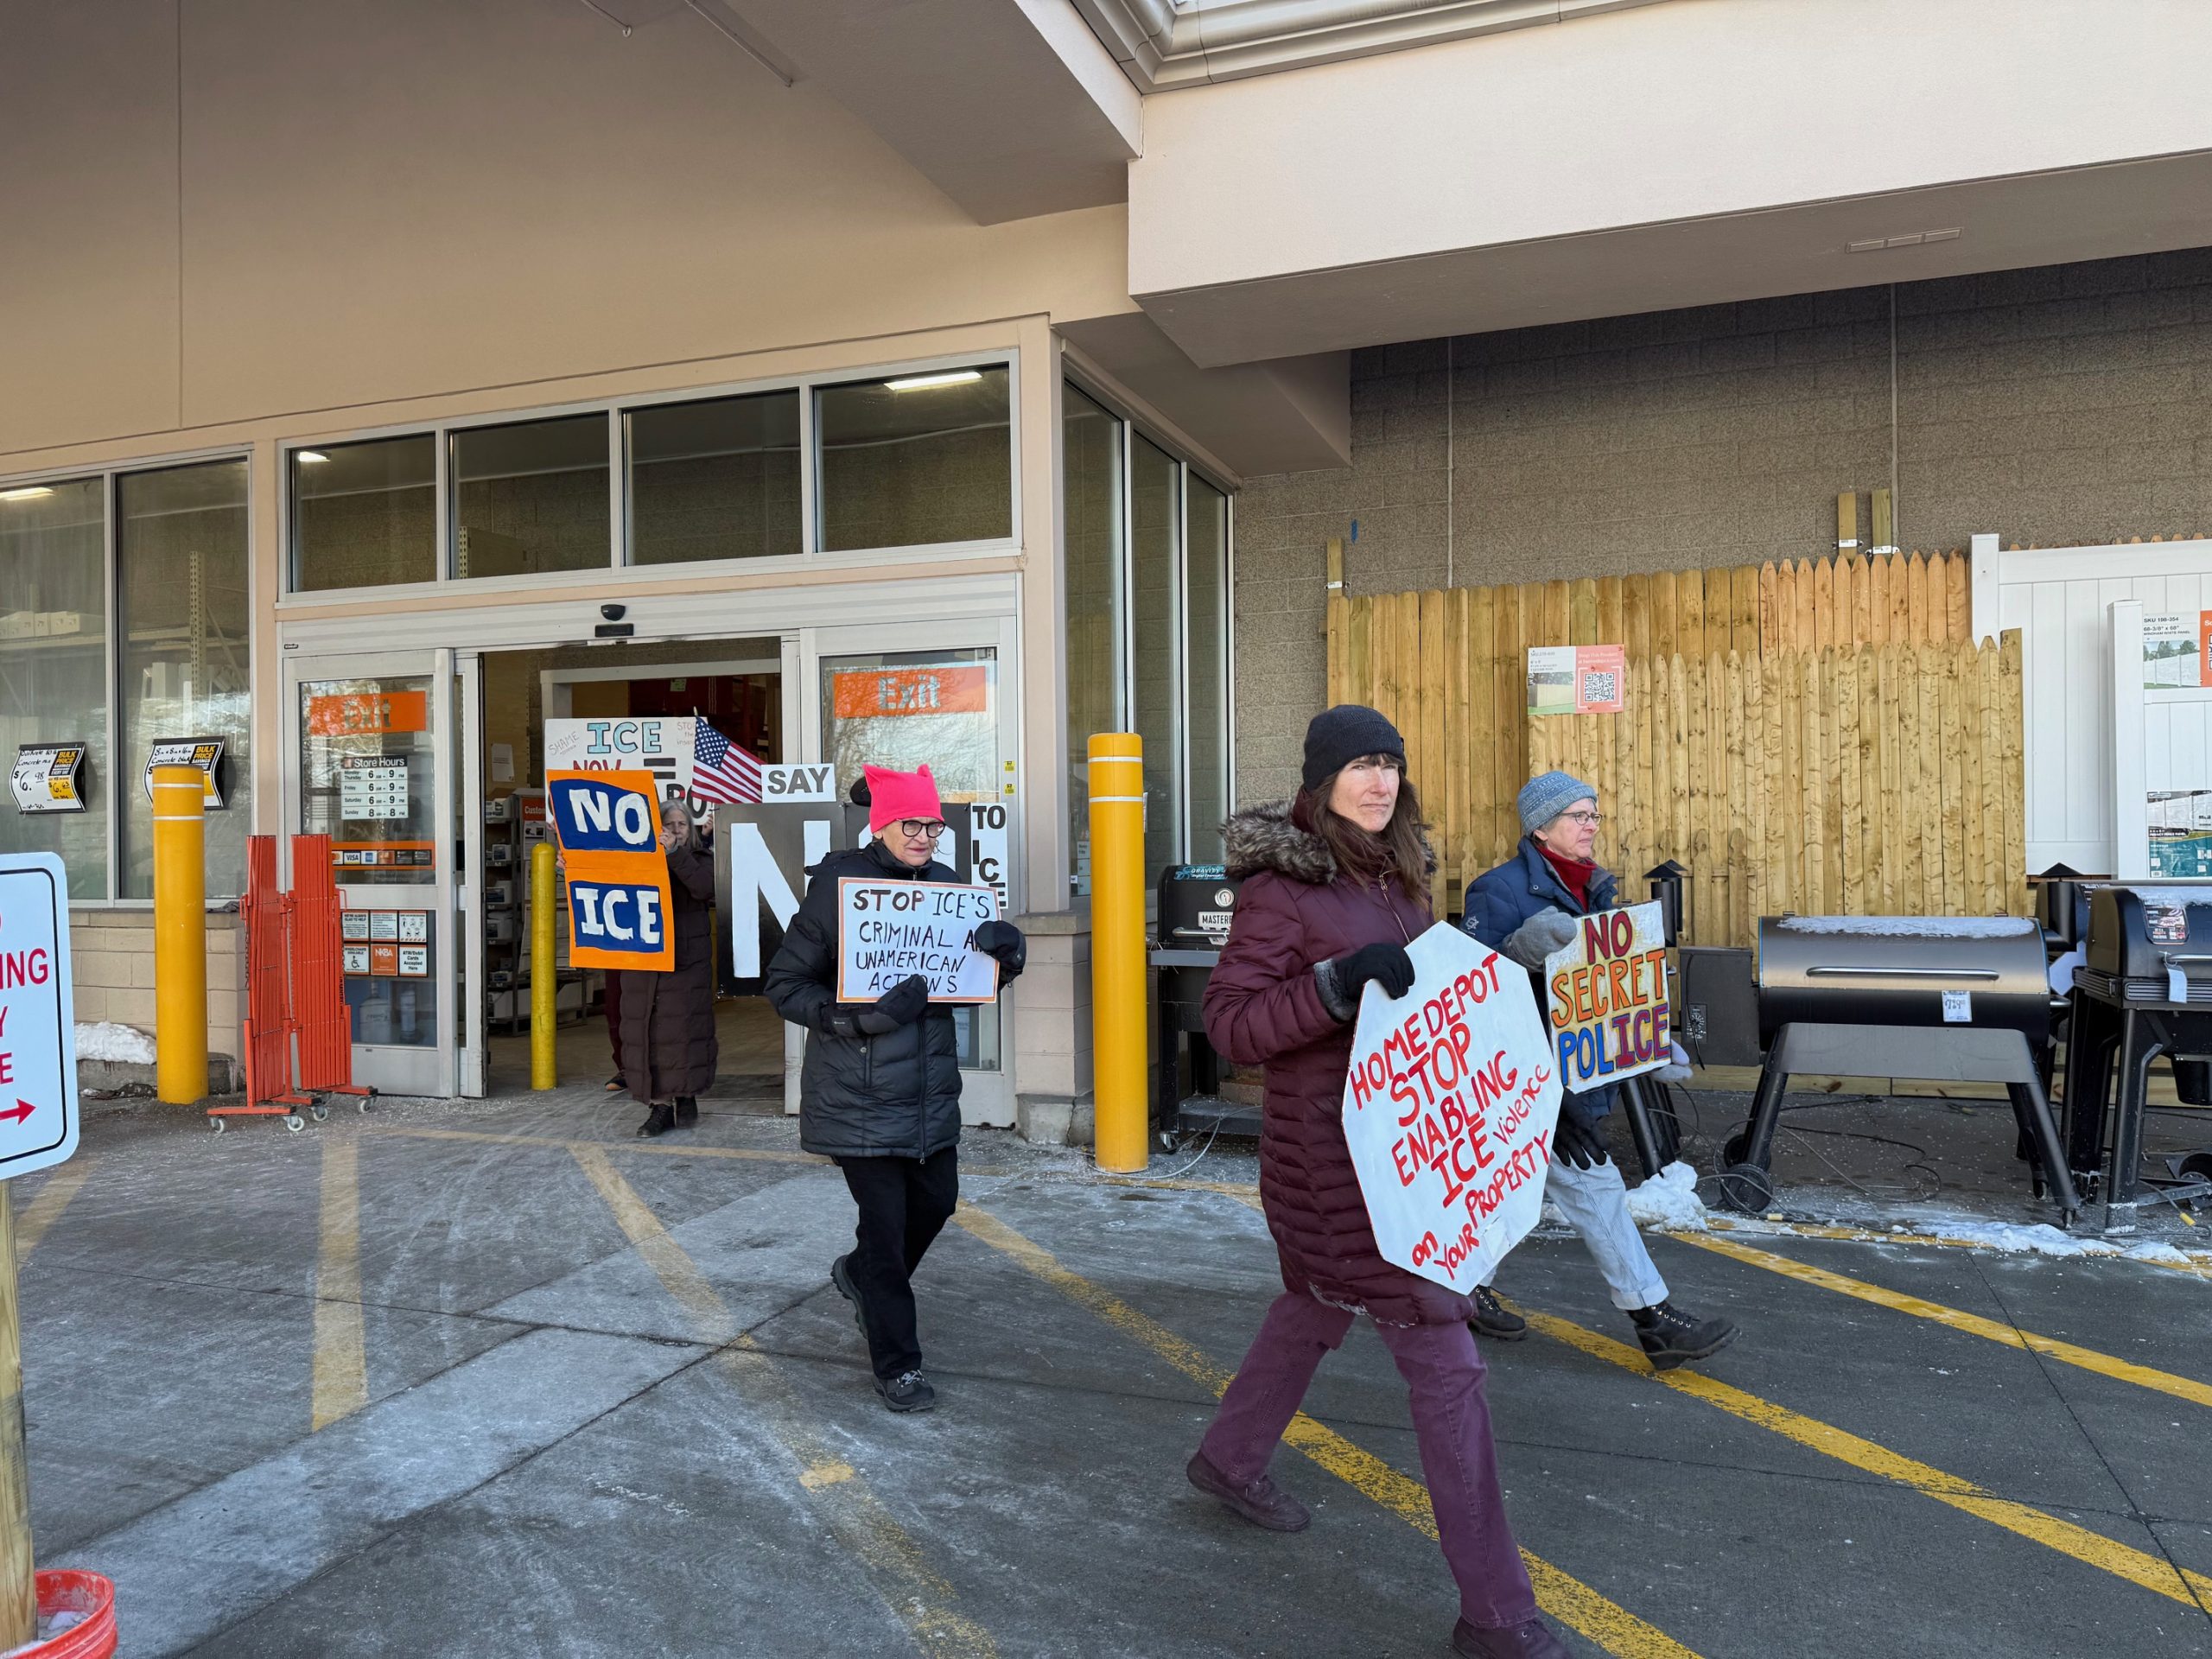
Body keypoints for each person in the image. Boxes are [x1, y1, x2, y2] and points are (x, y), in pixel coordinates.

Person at [1189, 705, 1570, 1659]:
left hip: (1402, 1166)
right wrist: (1332, 986)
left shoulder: (1399, 877)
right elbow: (1230, 1026)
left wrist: (1502, 988)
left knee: (1311, 1308)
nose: (1379, 782)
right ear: (1321, 782)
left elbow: (1423, 1003)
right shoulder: (1281, 891)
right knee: (1448, 1364)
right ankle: (1496, 1616)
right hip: (1334, 1173)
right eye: (1360, 765)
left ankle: (1228, 1461)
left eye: (1391, 765)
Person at [763, 764, 1026, 1414]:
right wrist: (859, 1020)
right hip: (856, 1094)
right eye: (912, 824)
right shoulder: (838, 888)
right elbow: (786, 986)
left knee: (936, 1204)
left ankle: (860, 1276)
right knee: (885, 1229)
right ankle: (898, 1363)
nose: (925, 836)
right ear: (881, 824)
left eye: (933, 826)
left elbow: (966, 984)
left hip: (929, 1094)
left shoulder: (948, 888)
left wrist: (1006, 962)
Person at [1460, 770, 1738, 1370]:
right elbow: (1470, 993)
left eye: (1594, 815)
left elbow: (1606, 990)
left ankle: (1462, 1291)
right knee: (1596, 1188)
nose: (1591, 826)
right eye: (1579, 815)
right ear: (1541, 826)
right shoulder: (1497, 892)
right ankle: (1653, 1319)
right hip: (1523, 1080)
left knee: (1511, 1191)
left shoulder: (1598, 890)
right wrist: (1516, 955)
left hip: (1576, 1075)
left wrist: (1648, 1045)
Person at [616, 795, 719, 1138]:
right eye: (668, 825)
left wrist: (674, 853)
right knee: (645, 1032)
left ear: (691, 829)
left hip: (685, 962)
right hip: (642, 959)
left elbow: (704, 888)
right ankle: (659, 1106)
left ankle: (686, 1094)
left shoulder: (701, 859)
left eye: (681, 825)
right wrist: (571, 866)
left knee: (683, 1031)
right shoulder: (635, 860)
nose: (675, 831)